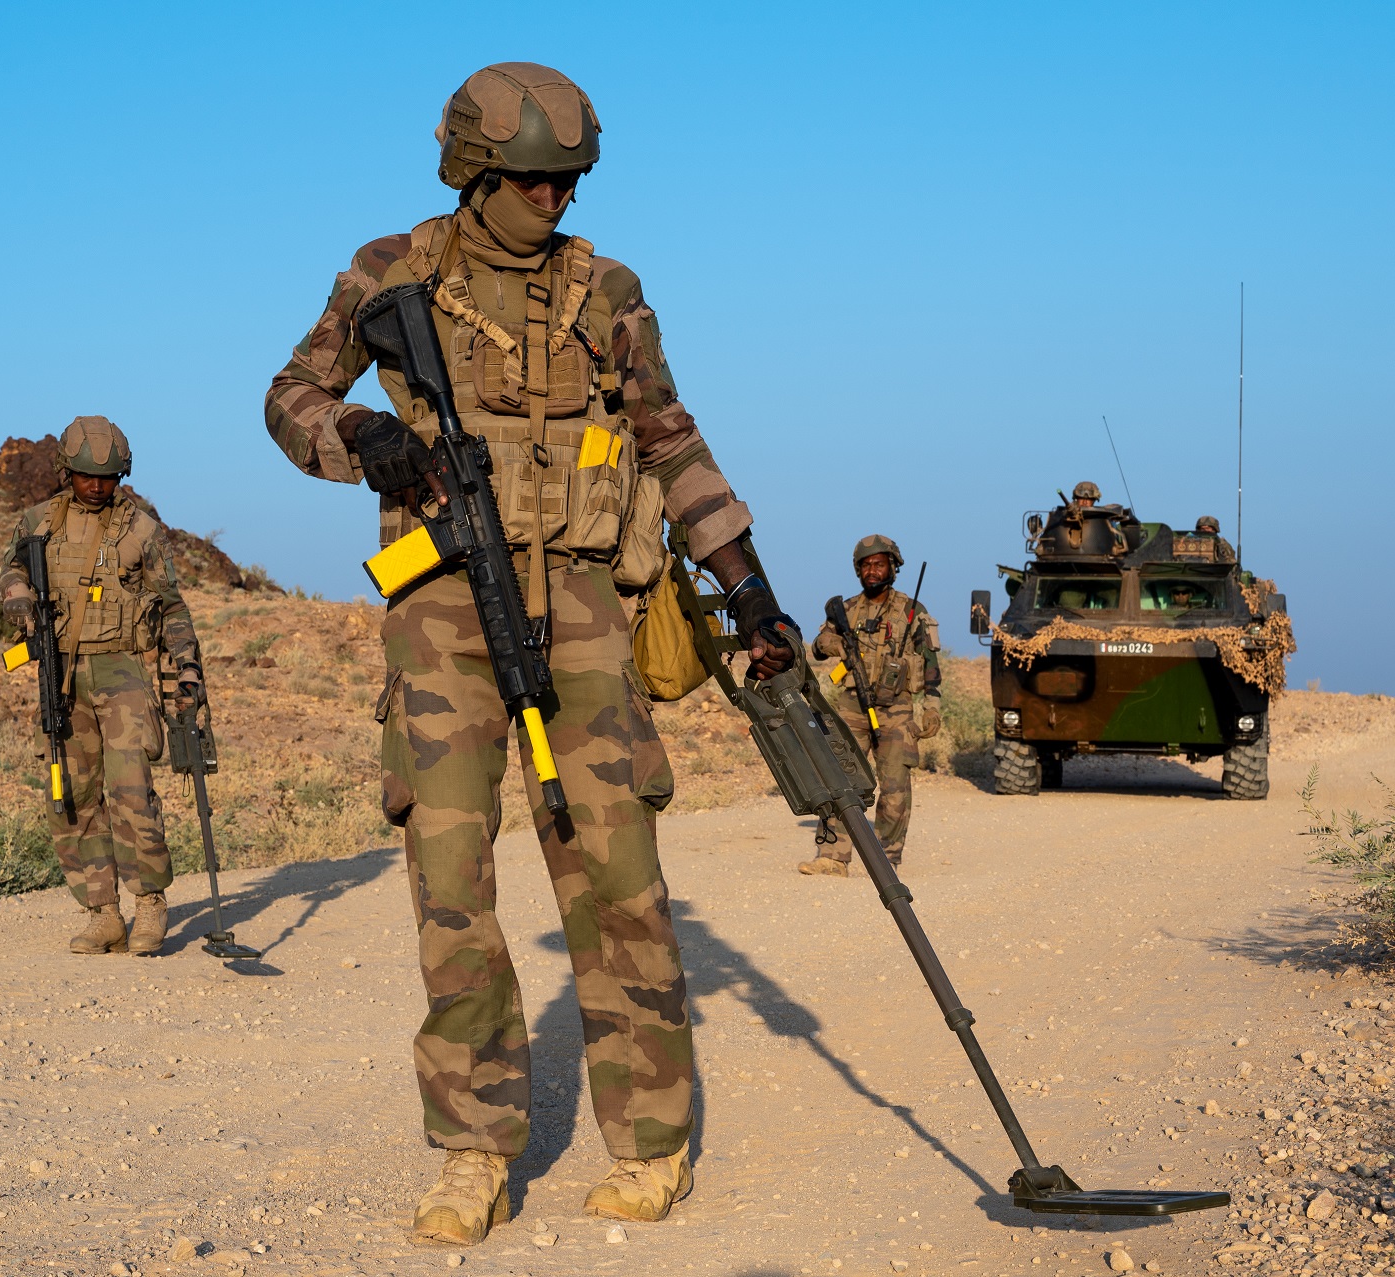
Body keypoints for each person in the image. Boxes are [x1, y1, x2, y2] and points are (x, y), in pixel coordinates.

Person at [264, 62, 798, 1247]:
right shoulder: (387, 274)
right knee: (451, 887)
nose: (553, 199)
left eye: (568, 180)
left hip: (589, 611)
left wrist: (748, 583)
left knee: (614, 874)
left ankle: (652, 1142)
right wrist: (363, 436)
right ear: (472, 172)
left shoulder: (608, 288)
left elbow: (669, 433)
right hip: (442, 610)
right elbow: (290, 394)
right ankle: (472, 1152)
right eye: (530, 180)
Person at [0, 416, 205, 957]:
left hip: (124, 671)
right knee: (70, 792)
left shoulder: (142, 530)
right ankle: (103, 913)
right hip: (61, 674)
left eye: (109, 477)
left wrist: (187, 671)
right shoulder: (38, 522)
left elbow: (173, 606)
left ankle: (151, 905)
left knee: (132, 789)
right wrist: (17, 593)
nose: (97, 486)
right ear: (67, 472)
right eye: (88, 476)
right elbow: (9, 569)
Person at [799, 535, 941, 873]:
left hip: (897, 710)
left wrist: (932, 706)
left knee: (894, 787)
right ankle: (833, 858)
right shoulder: (846, 610)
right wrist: (838, 646)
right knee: (839, 780)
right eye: (865, 565)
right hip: (852, 708)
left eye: (878, 564)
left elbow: (931, 663)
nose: (871, 571)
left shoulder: (912, 612)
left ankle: (886, 858)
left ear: (893, 566)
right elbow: (818, 645)